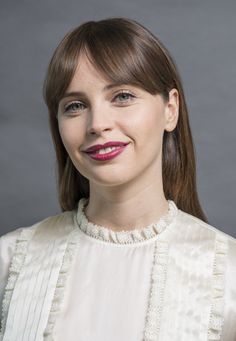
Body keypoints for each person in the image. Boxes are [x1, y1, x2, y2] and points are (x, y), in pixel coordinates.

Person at [0, 17, 235, 341]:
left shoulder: (227, 274)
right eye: (76, 105)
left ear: (170, 109)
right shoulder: (10, 262)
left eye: (122, 96)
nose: (97, 123)